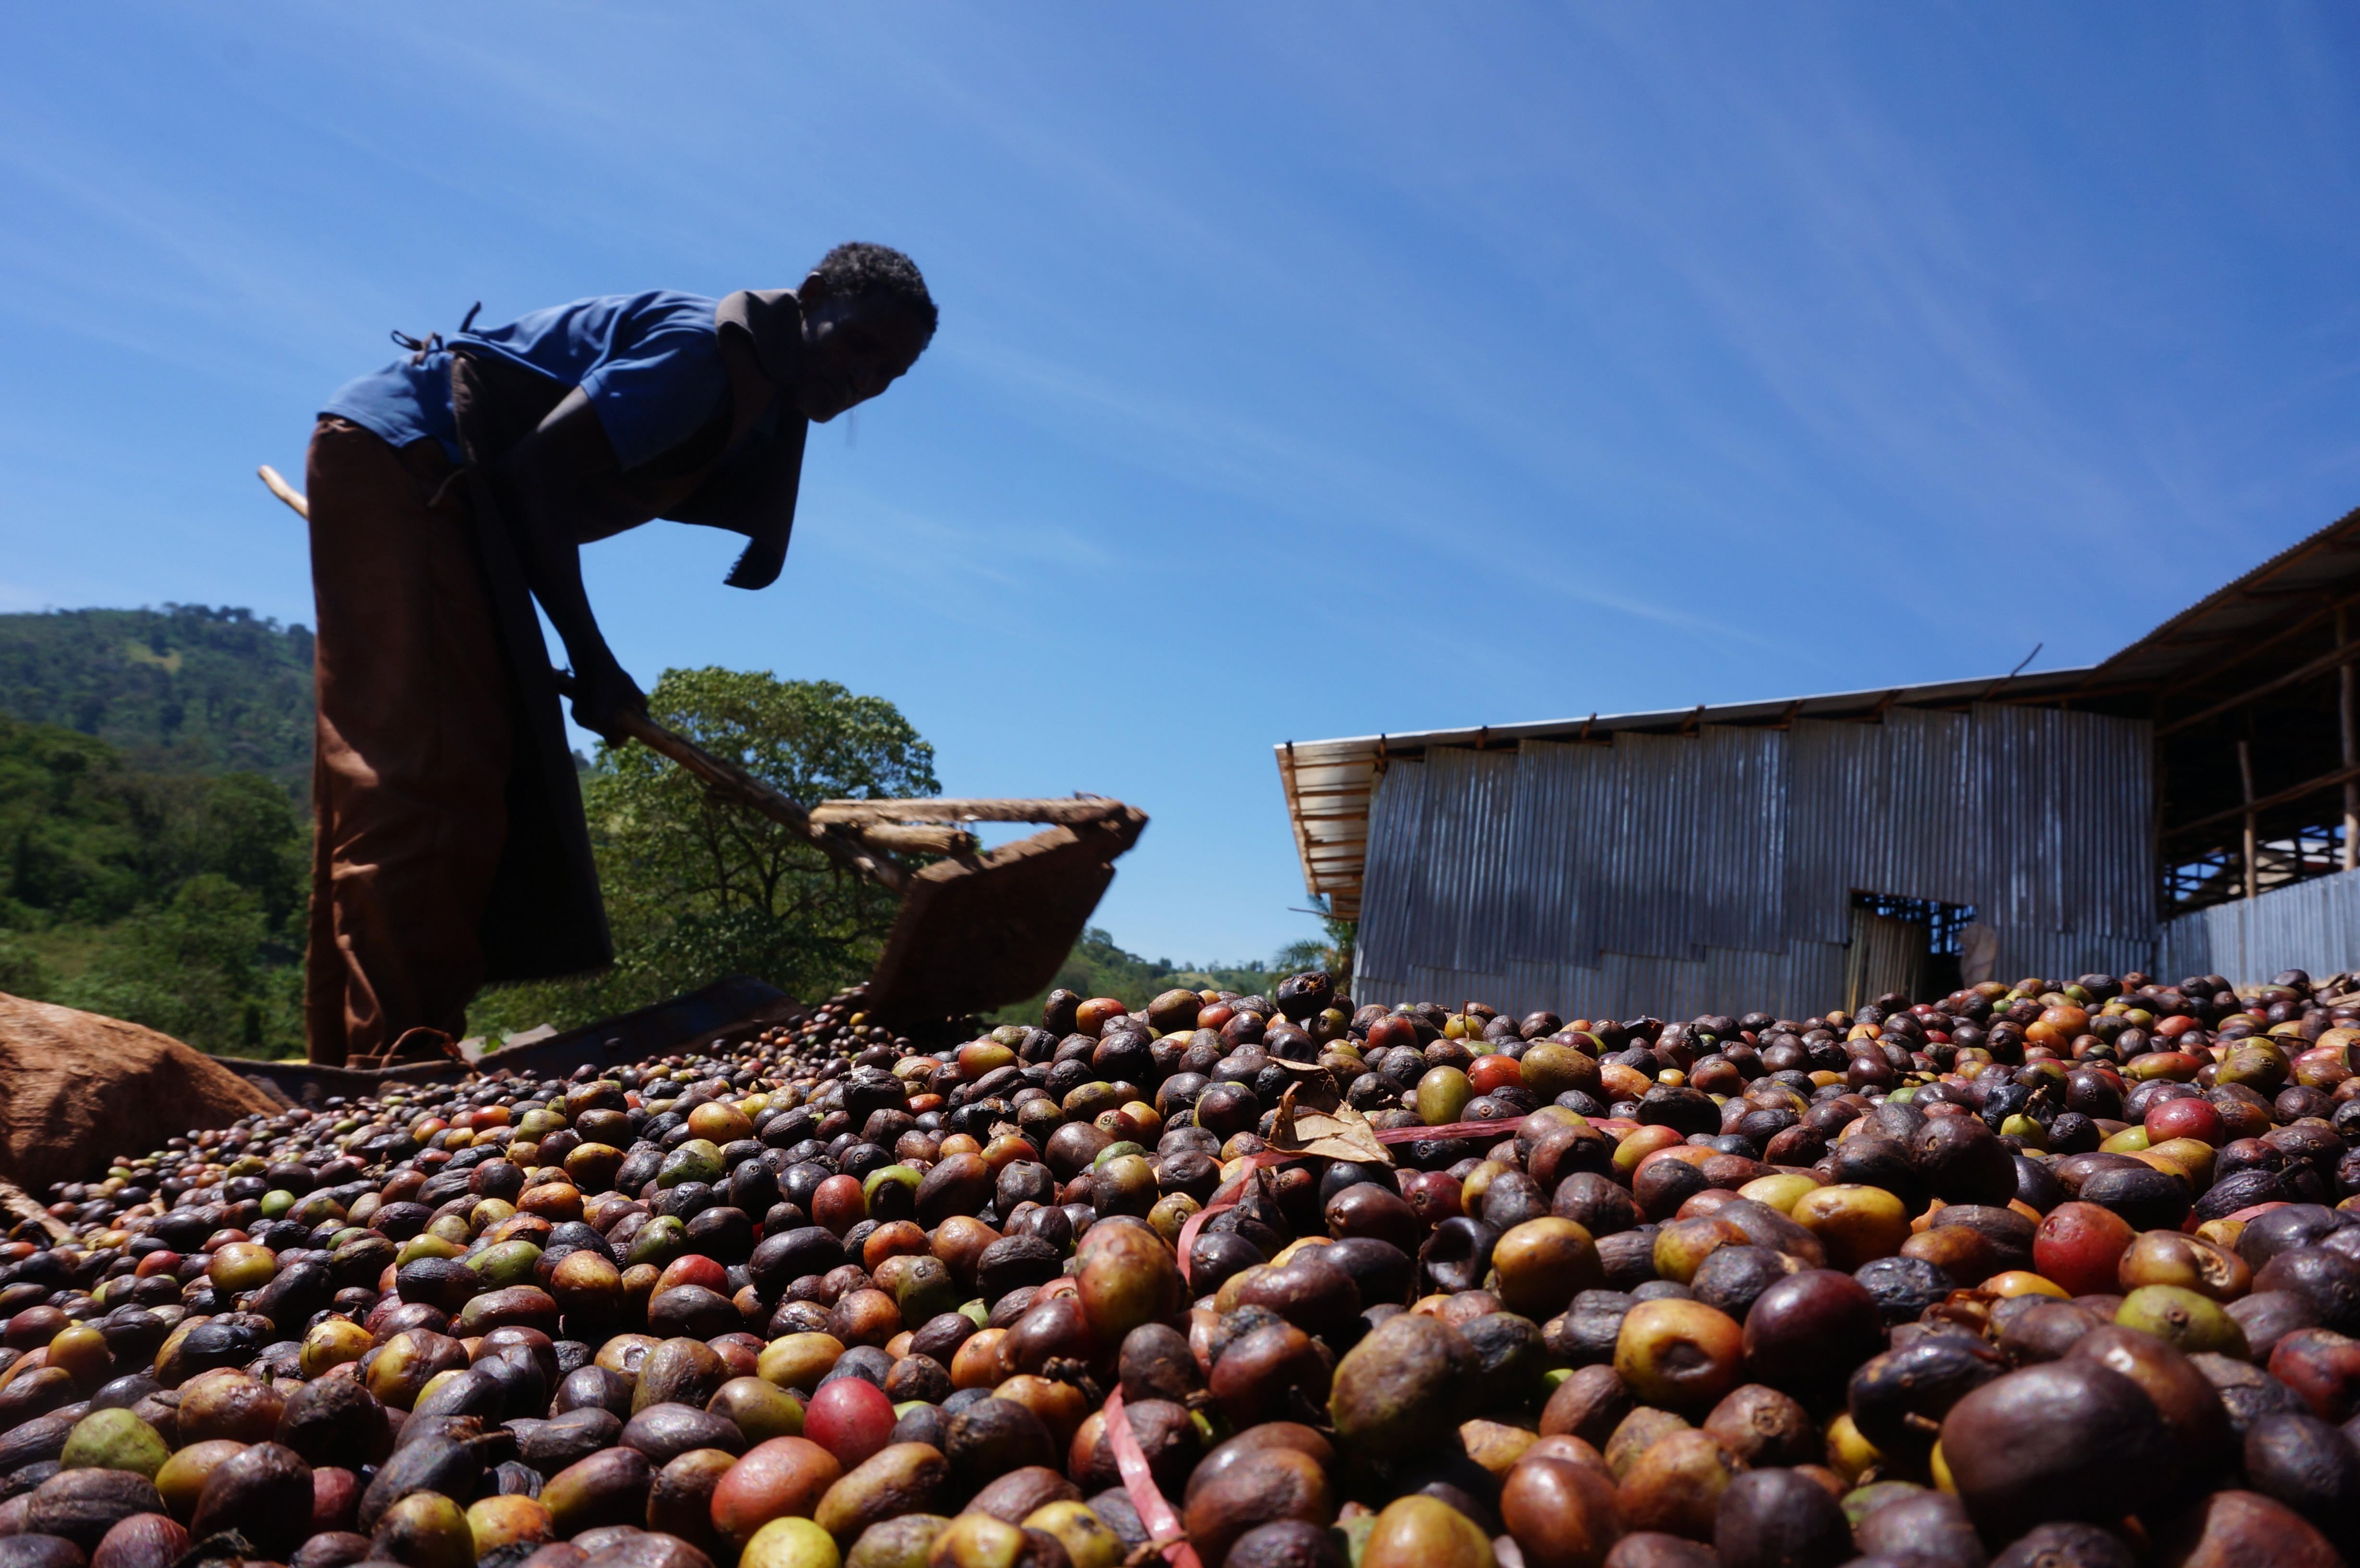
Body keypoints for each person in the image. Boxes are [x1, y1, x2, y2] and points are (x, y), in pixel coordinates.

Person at [301, 243, 936, 1065]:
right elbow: (536, 475)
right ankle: (398, 1064)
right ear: (811, 298)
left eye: (890, 373)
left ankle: (347, 1056)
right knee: (431, 763)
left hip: (440, 487)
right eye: (858, 345)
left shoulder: (764, 391)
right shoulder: (702, 351)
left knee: (433, 756)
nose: (866, 381)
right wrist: (592, 660)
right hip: (410, 462)